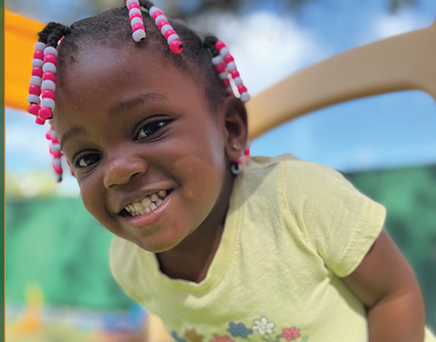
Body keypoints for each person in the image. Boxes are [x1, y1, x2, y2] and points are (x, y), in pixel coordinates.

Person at [25, 1, 436, 341]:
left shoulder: (300, 201)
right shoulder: (128, 264)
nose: (116, 171)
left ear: (230, 129)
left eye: (149, 128)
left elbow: (393, 296)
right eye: (86, 158)